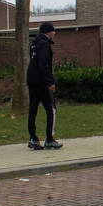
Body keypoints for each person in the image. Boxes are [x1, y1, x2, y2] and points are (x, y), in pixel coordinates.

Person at [26, 22, 63, 150]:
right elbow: (44, 64)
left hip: (32, 80)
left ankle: (33, 138)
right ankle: (49, 139)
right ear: (48, 32)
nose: (55, 33)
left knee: (33, 110)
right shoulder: (45, 44)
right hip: (41, 82)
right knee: (51, 109)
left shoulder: (34, 43)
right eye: (53, 31)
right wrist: (50, 82)